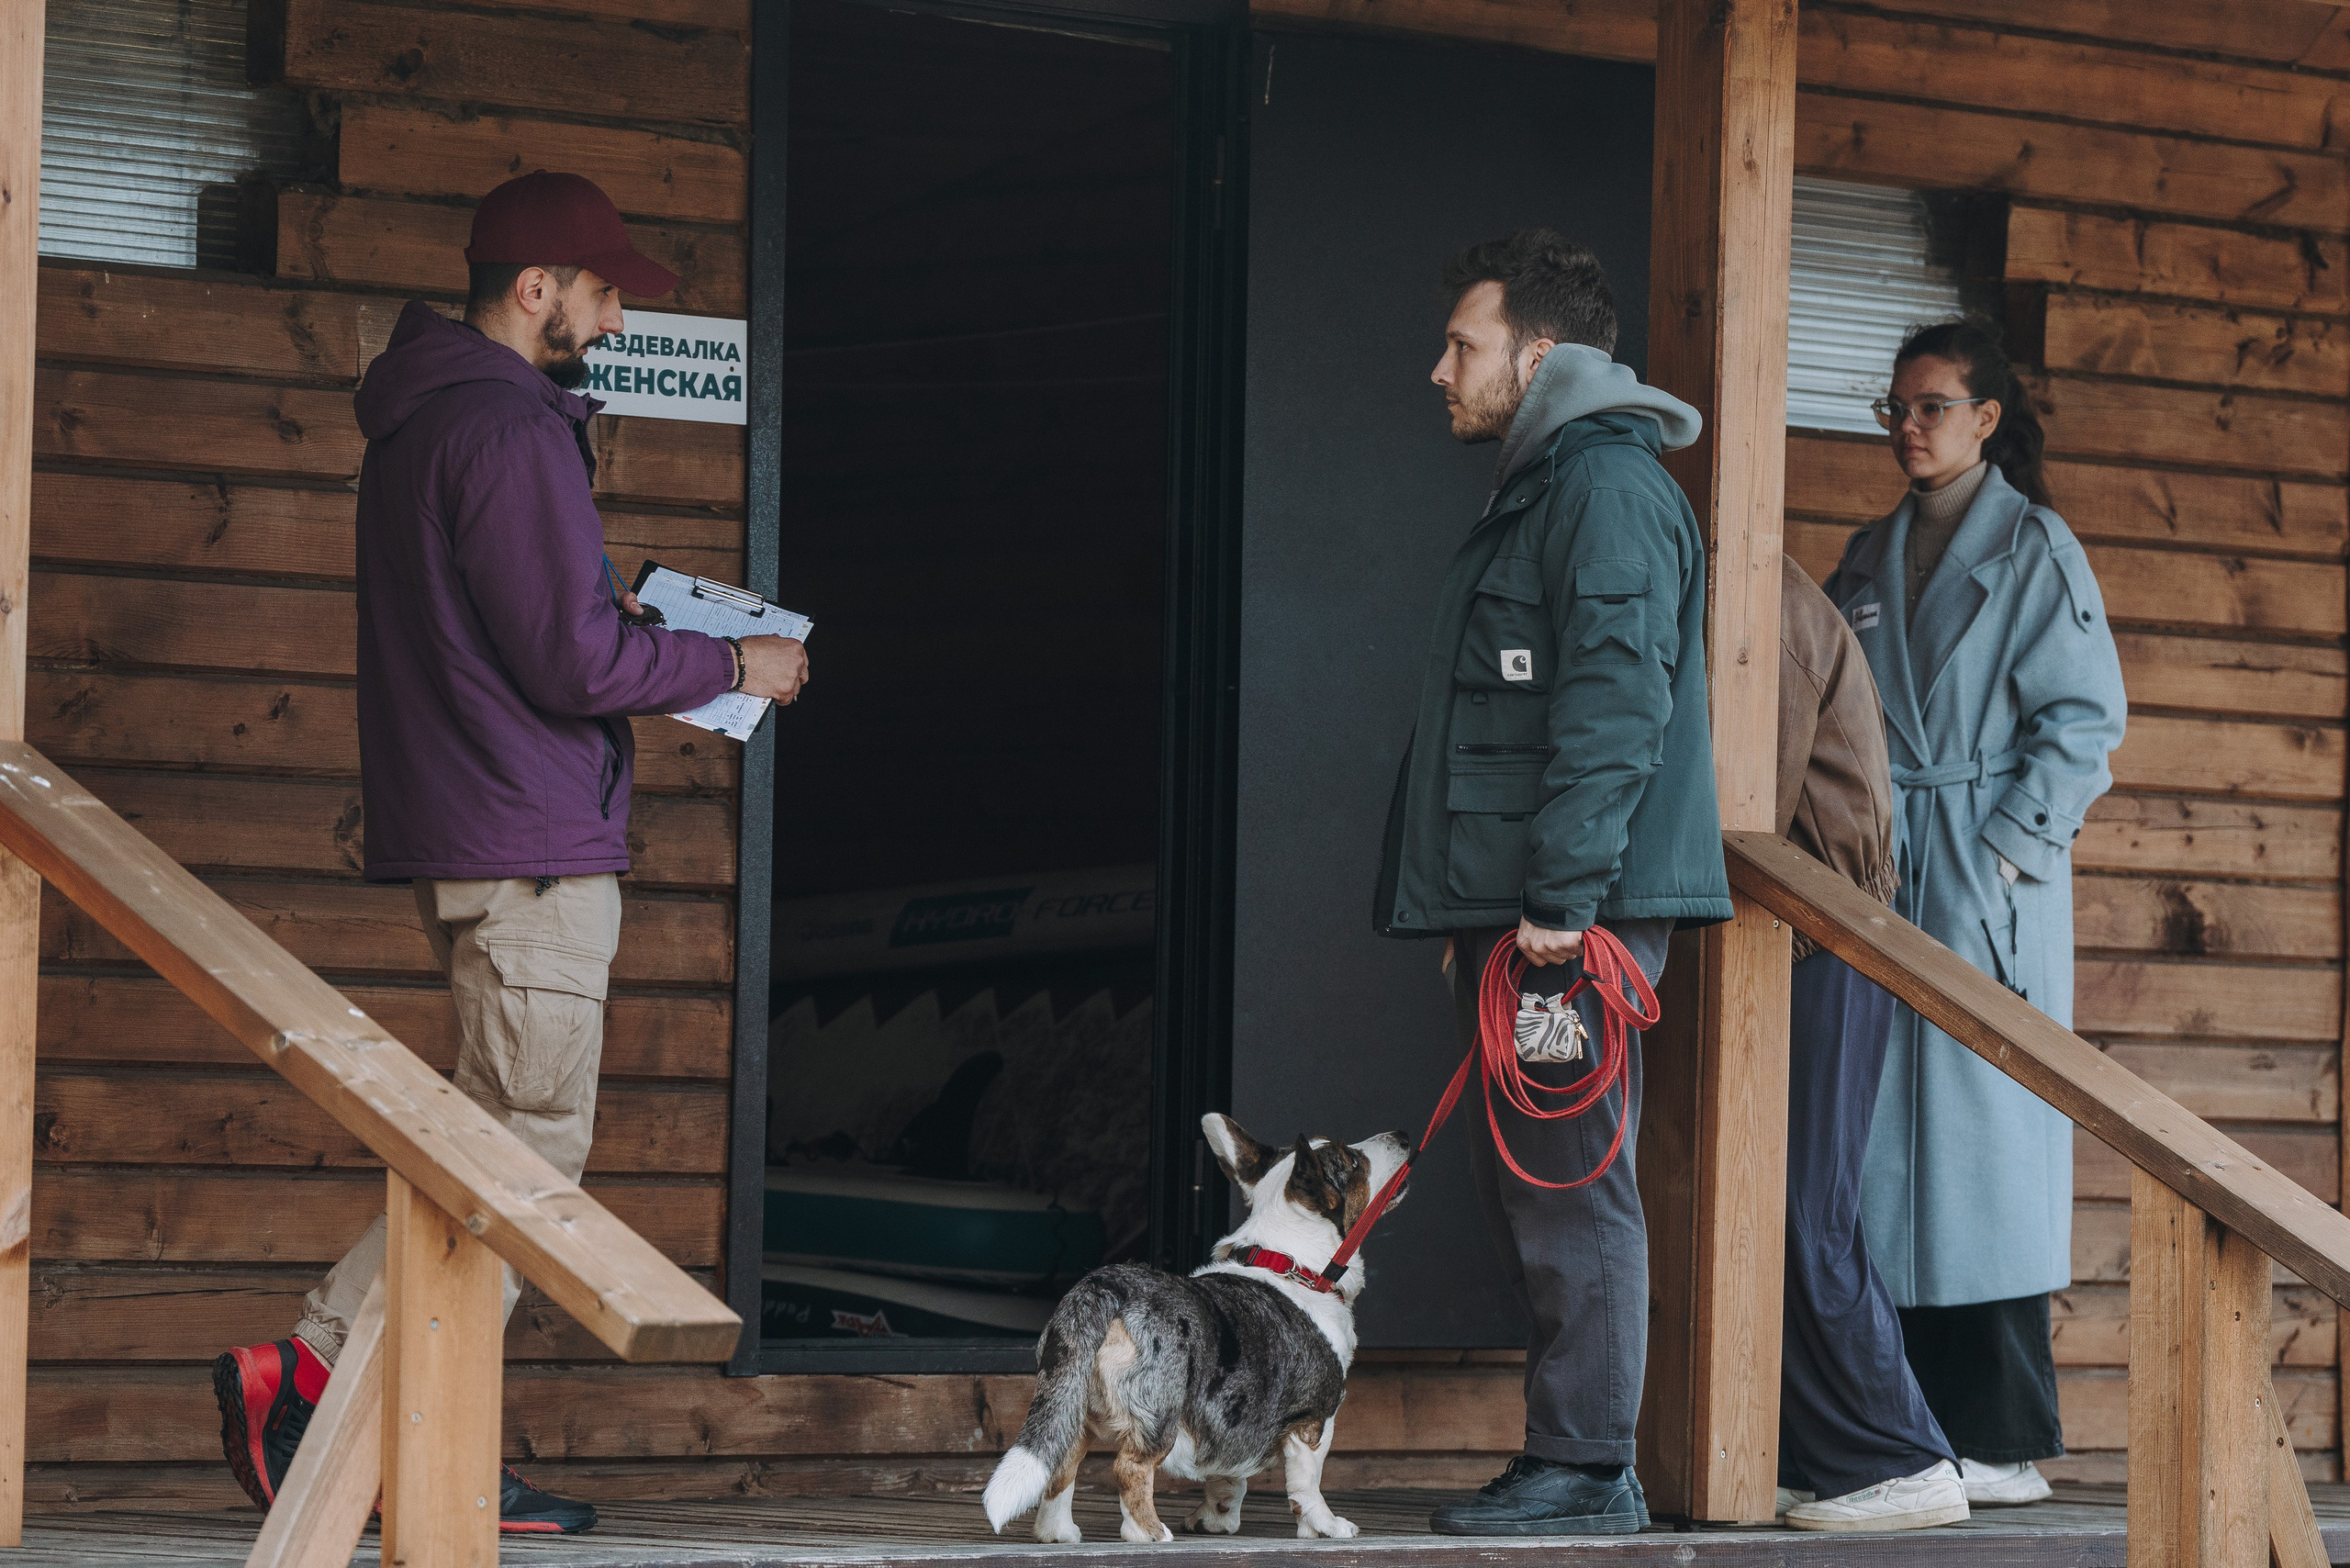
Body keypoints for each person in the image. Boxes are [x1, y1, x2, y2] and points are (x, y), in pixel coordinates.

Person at [208, 171, 810, 1529]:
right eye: (602, 292)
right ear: (534, 289)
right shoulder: (506, 427)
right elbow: (570, 660)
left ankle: (392, 1427)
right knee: (522, 1168)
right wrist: (737, 662)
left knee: (486, 1147)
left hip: (476, 828)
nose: (614, 319)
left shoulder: (427, 421)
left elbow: (528, 634)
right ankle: (327, 1386)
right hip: (531, 843)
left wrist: (625, 625)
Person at [1375, 228, 1732, 1537]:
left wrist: (1560, 904)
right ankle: (1570, 1459)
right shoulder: (1553, 485)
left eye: (1461, 345)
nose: (1440, 370)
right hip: (1526, 913)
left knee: (1569, 1176)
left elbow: (1615, 709)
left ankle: (1586, 1471)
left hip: (1568, 920)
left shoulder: (1607, 492)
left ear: (1537, 354)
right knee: (1532, 1178)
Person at [1825, 318, 2125, 1508]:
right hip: (1881, 870)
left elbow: (2084, 723)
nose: (1907, 427)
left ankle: (2001, 1438)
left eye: (1932, 407)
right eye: (1894, 408)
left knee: (1985, 1155)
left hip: (1977, 877)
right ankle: (1908, 1427)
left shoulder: (2035, 547)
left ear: (1987, 418)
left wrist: (2004, 857)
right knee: (1879, 1152)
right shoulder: (1865, 556)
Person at [1771, 554, 1964, 1533]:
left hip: (1823, 934)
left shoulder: (1767, 606)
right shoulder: (1758, 595)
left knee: (1811, 1209)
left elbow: (1749, 803)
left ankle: (1901, 1456)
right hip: (1798, 934)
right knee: (1778, 1206)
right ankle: (1821, 1455)